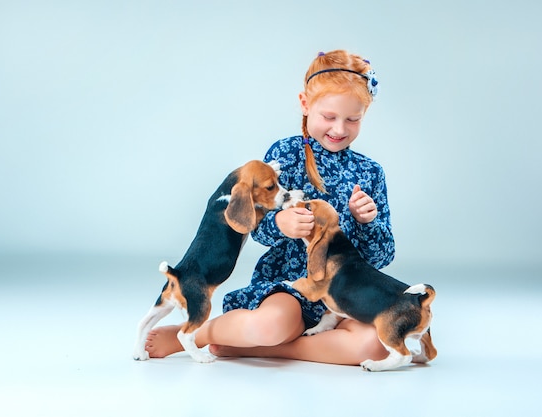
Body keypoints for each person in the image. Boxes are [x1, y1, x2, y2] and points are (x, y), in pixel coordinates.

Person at [145, 49, 396, 365]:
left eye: (353, 119)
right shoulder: (286, 154)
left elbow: (382, 256)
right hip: (290, 287)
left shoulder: (370, 172)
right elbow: (255, 227)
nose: (339, 129)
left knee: (375, 345)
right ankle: (198, 333)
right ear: (306, 104)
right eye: (329, 117)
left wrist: (367, 222)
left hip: (345, 293)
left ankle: (263, 349)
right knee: (270, 325)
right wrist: (281, 224)